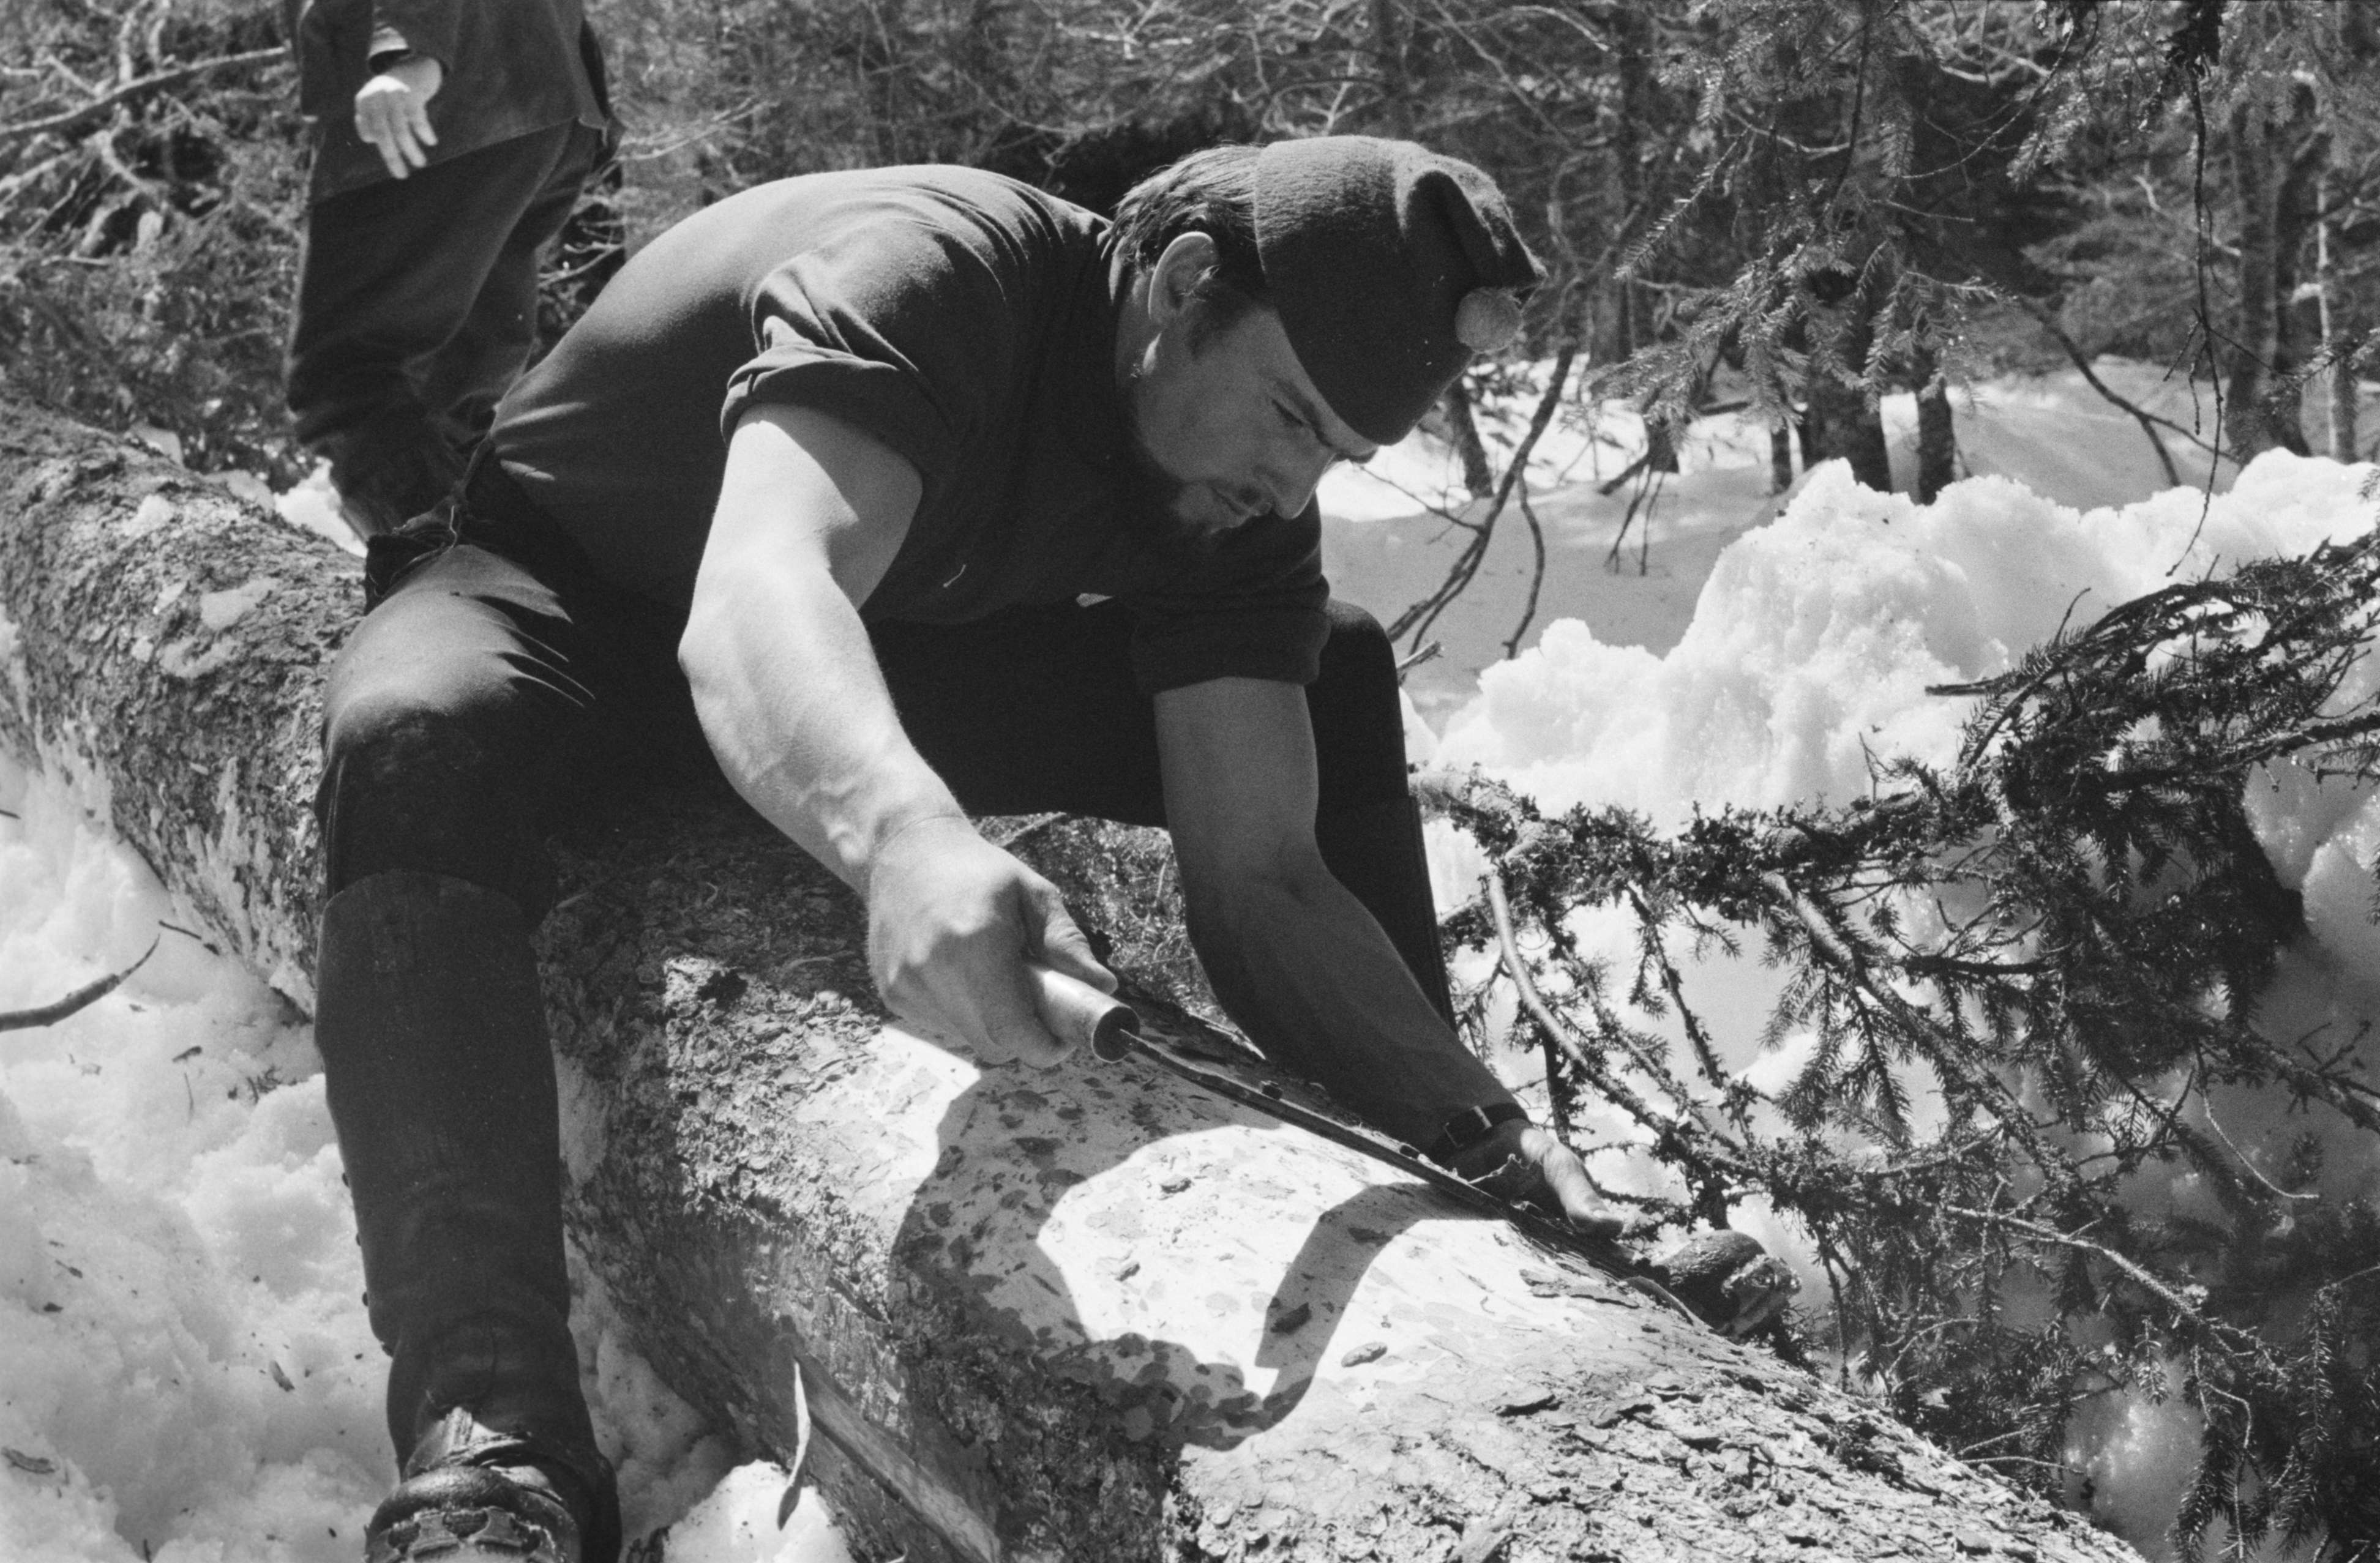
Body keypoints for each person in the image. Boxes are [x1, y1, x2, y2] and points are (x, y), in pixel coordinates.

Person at [313, 137, 1618, 1563]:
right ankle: (493, 1436)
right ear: (1185, 285)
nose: (1293, 478)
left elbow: (1264, 877)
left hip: (877, 644)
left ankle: (1463, 1189)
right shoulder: (932, 272)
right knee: (409, 737)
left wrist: (1476, 1123)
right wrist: (905, 840)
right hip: (570, 601)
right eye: (1290, 415)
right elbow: (761, 590)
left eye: (1335, 455)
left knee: (1333, 669)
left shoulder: (1238, 494)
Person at [281, 0, 614, 539]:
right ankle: (549, 576)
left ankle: (460, 579)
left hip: (442, 104)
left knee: (346, 383)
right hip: (546, 98)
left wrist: (410, 50)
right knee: (452, 392)